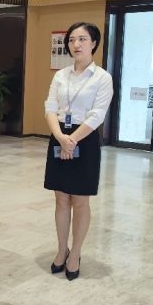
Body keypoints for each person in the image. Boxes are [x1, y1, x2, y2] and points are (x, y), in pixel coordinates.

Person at [44, 22, 113, 281]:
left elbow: (97, 115)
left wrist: (71, 140)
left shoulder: (102, 77)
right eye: (72, 39)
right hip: (59, 135)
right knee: (61, 198)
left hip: (84, 138)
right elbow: (50, 108)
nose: (76, 44)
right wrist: (61, 138)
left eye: (82, 39)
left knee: (80, 201)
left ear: (94, 43)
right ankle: (62, 249)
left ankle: (76, 254)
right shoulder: (61, 76)